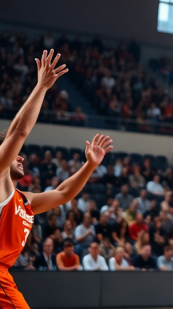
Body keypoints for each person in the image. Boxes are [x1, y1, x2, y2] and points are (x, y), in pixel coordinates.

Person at [0, 50, 113, 308]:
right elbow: (18, 131)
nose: (21, 158)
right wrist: (41, 87)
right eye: (15, 155)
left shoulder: (24, 200)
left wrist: (89, 166)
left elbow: (63, 193)